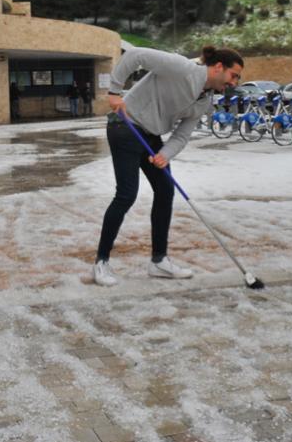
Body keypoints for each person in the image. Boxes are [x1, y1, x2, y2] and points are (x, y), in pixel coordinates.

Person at [93, 44, 244, 287]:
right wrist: (114, 91)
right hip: (125, 125)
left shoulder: (204, 101)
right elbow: (135, 56)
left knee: (165, 191)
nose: (234, 82)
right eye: (233, 75)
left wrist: (165, 154)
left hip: (151, 135)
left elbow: (182, 135)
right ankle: (101, 262)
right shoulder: (182, 68)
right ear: (218, 67)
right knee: (126, 194)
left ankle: (159, 261)